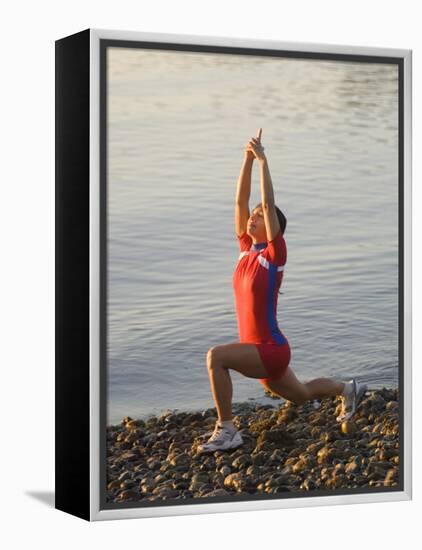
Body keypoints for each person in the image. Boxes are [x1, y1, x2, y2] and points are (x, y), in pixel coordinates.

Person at [197, 128, 367, 454]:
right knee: (301, 394)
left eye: (260, 217)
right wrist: (246, 160)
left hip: (270, 350)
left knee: (215, 357)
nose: (253, 218)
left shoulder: (273, 257)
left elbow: (269, 201)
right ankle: (349, 389)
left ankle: (227, 430)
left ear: (273, 225)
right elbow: (239, 200)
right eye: (254, 215)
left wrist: (263, 161)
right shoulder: (246, 250)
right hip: (262, 352)